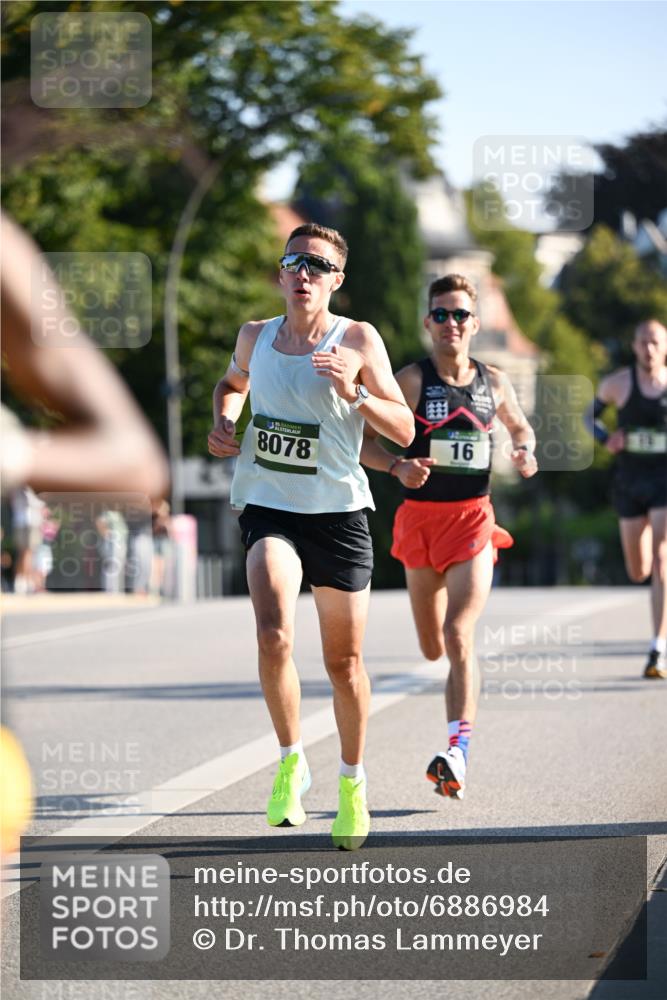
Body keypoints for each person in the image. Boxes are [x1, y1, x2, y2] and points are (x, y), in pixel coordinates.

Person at [207, 223, 413, 850]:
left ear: (335, 280)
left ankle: (352, 782)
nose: (303, 273)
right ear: (280, 273)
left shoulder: (357, 338)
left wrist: (355, 391)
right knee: (273, 632)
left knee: (342, 663)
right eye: (294, 261)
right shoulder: (255, 336)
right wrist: (223, 420)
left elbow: (403, 428)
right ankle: (291, 760)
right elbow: (231, 387)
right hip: (269, 505)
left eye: (317, 265)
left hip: (339, 514)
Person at [361, 273, 537, 800]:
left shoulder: (495, 382)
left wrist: (525, 450)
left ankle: (457, 749)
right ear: (428, 323)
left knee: (459, 634)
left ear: (475, 324)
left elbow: (521, 427)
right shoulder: (411, 381)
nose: (451, 324)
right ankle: (453, 729)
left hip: (472, 520)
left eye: (460, 315)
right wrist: (396, 468)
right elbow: (362, 442)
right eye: (441, 314)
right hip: (419, 521)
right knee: (432, 645)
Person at [586, 319, 667, 678]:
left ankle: (657, 649)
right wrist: (606, 439)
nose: (648, 349)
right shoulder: (617, 384)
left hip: (664, 479)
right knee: (639, 570)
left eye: (655, 342)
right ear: (634, 346)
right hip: (630, 481)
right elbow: (588, 416)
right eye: (642, 342)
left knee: (662, 560)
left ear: (663, 347)